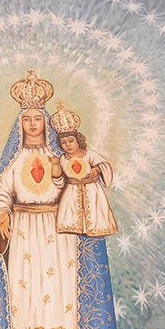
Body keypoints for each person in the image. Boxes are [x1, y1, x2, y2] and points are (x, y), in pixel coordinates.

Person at [0, 70, 120, 329]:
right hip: (23, 232)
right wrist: (1, 217)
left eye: (37, 118)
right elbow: (0, 194)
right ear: (20, 124)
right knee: (25, 292)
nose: (33, 124)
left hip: (59, 231)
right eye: (27, 119)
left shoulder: (61, 156)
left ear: (45, 122)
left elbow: (80, 183)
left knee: (62, 291)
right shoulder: (12, 162)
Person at [48, 102, 118, 239]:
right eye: (63, 142)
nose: (67, 145)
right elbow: (60, 182)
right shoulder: (62, 159)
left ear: (78, 140)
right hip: (71, 193)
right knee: (72, 225)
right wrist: (55, 166)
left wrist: (97, 169)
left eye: (70, 141)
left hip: (92, 192)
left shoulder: (89, 154)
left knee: (94, 216)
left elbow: (105, 165)